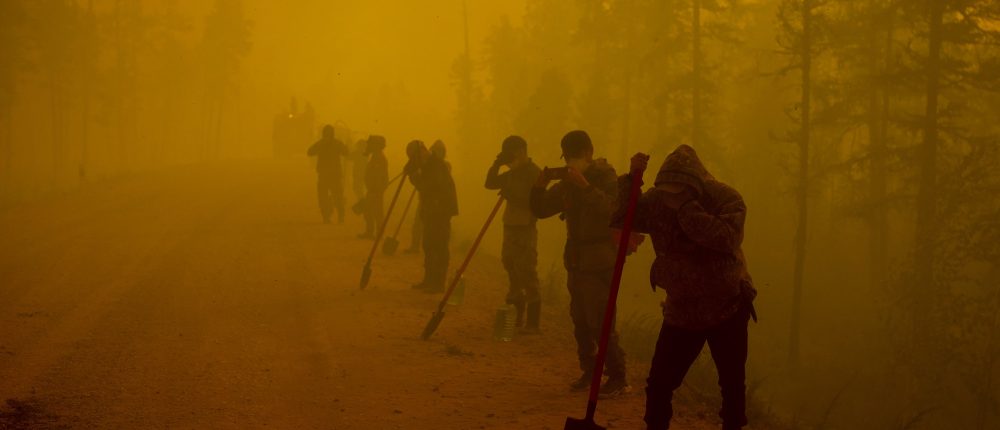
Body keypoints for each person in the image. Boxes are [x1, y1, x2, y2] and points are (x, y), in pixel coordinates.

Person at [615, 146, 756, 430]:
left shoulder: (725, 198)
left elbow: (727, 238)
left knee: (731, 385)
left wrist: (686, 208)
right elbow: (624, 218)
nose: (670, 197)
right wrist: (631, 180)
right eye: (667, 191)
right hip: (681, 309)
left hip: (726, 306)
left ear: (694, 186)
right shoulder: (657, 200)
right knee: (659, 384)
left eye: (677, 192)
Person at [530, 130, 629, 396]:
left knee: (600, 320)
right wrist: (539, 186)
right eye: (567, 157)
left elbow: (613, 209)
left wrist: (585, 186)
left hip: (600, 260)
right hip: (576, 260)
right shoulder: (568, 183)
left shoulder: (605, 177)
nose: (571, 161)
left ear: (588, 153)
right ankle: (590, 369)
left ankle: (617, 375)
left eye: (574, 156)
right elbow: (541, 209)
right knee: (580, 319)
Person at [485, 135, 542, 332]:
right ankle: (516, 312)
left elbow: (534, 202)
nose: (510, 158)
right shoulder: (511, 173)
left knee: (527, 269)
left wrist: (512, 195)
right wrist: (496, 165)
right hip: (510, 224)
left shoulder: (535, 173)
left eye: (512, 154)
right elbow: (490, 183)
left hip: (525, 226)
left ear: (522, 151)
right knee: (509, 264)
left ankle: (533, 322)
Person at [406, 140, 458, 293]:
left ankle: (438, 283)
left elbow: (428, 187)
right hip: (431, 212)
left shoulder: (436, 165)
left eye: (415, 158)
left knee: (439, 246)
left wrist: (414, 176)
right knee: (428, 245)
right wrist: (414, 173)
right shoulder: (429, 165)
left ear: (422, 152)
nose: (417, 162)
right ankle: (429, 280)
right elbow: (424, 187)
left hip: (440, 213)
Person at [307, 125, 350, 224]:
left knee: (325, 197)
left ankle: (328, 217)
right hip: (334, 175)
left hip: (325, 175)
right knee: (336, 196)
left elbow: (310, 152)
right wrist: (346, 145)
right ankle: (339, 217)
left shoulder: (321, 143)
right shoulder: (337, 143)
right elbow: (346, 152)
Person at [359, 135, 389, 239]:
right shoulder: (375, 156)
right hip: (372, 189)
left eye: (370, 144)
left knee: (377, 212)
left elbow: (378, 176)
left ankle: (378, 234)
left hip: (375, 190)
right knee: (368, 211)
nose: (368, 146)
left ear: (376, 146)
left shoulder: (379, 158)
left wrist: (375, 190)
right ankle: (370, 232)